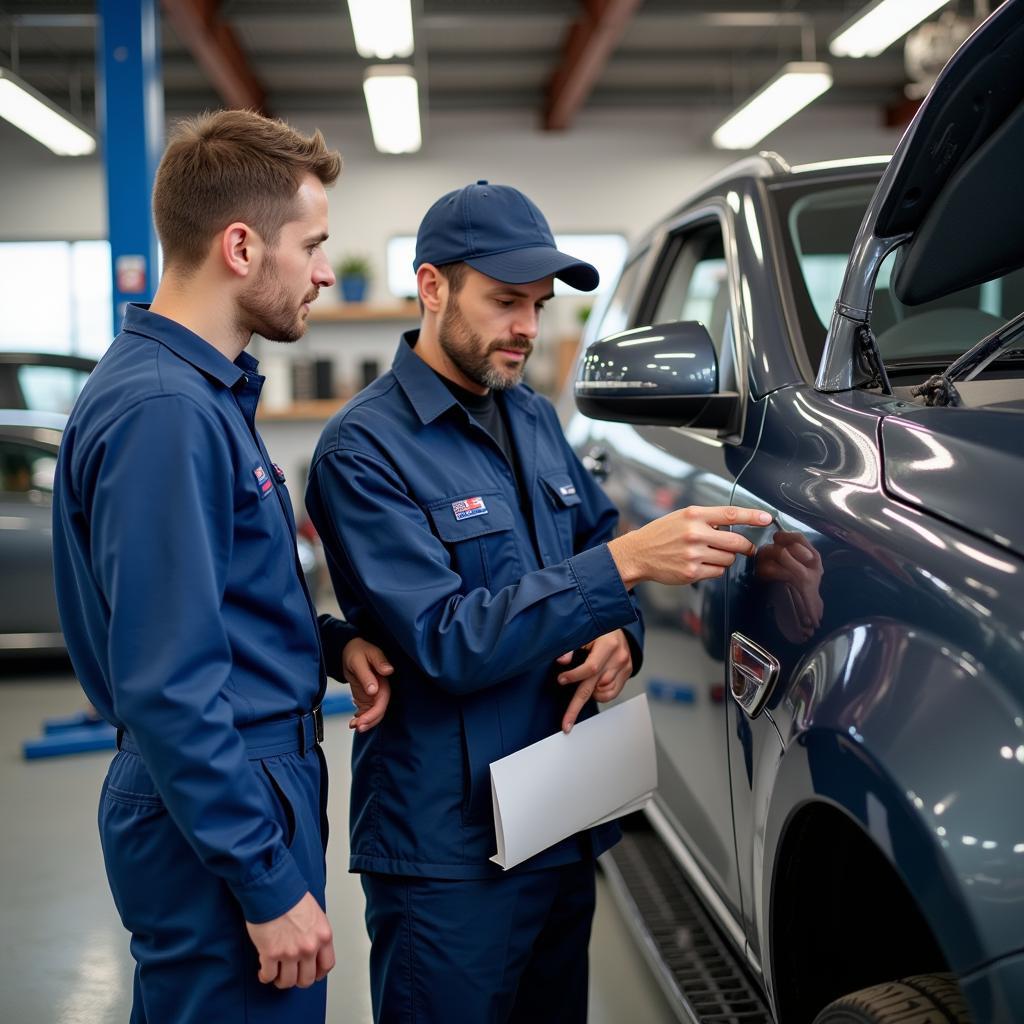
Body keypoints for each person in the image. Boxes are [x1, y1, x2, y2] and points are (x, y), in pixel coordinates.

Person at [304, 180, 771, 1023]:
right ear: (434, 286)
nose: (528, 327)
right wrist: (623, 570)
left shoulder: (533, 419)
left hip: (560, 815)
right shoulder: (363, 451)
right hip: (449, 848)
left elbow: (592, 547)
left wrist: (619, 637)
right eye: (506, 301)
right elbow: (447, 640)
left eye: (540, 304)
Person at [51, 110, 392, 1024]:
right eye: (313, 246)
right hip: (220, 793)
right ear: (241, 246)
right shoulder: (166, 413)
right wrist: (264, 880)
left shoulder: (195, 395)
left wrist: (324, 644)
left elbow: (209, 603)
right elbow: (166, 684)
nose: (325, 272)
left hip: (232, 781)